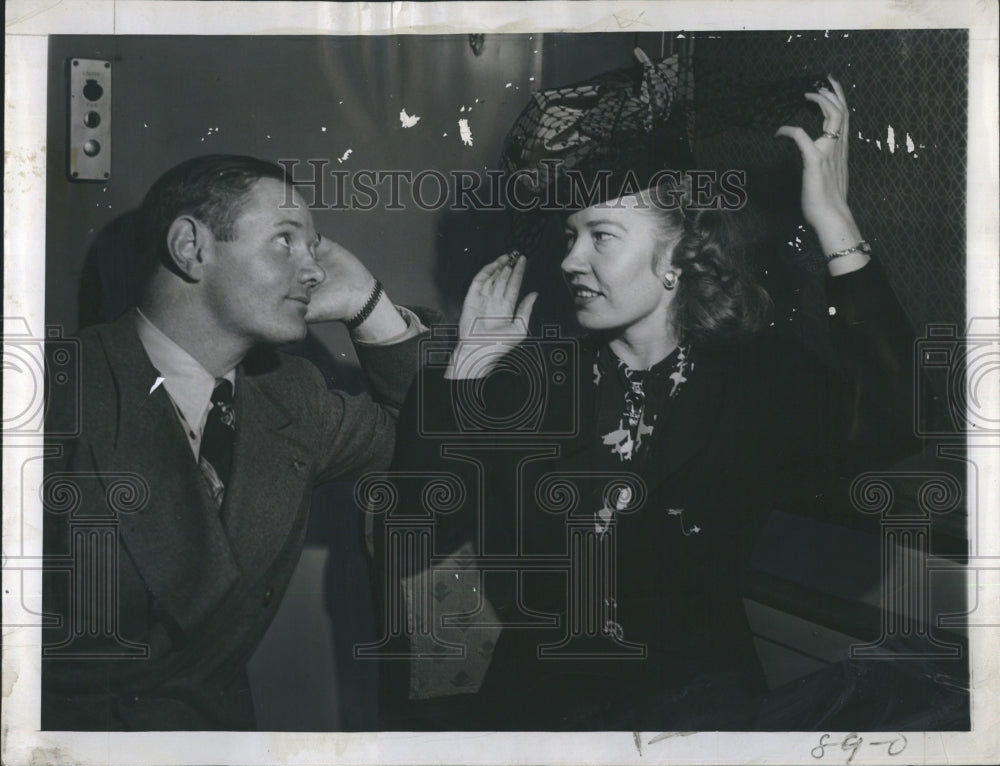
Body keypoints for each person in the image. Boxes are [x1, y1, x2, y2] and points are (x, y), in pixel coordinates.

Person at [383, 76, 923, 730]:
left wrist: (837, 225)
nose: (571, 259)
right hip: (539, 714)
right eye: (570, 235)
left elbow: (890, 429)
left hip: (700, 713)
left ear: (680, 252)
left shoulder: (752, 381)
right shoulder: (534, 378)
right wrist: (467, 374)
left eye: (600, 235)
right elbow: (417, 512)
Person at [42, 154, 425, 730]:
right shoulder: (49, 394)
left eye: (313, 247)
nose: (315, 269)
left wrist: (368, 305)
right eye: (285, 242)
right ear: (191, 248)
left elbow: (423, 435)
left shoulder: (291, 396)